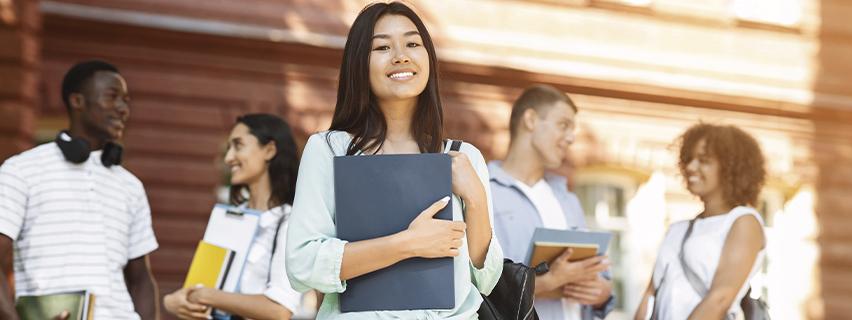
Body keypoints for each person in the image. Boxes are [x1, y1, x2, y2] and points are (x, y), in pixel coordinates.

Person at [284, 2, 503, 319]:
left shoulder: (463, 157)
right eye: (383, 47)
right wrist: (407, 244)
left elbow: (487, 279)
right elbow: (303, 265)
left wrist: (477, 199)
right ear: (360, 63)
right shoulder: (330, 150)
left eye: (413, 43)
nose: (401, 55)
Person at [0, 60, 159, 319]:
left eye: (126, 101)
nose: (123, 109)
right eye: (112, 97)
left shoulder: (131, 186)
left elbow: (141, 279)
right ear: (77, 101)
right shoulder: (21, 170)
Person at [163, 114, 318, 319]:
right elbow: (200, 285)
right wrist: (173, 302)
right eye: (229, 148)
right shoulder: (228, 218)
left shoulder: (290, 223)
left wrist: (207, 296)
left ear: (269, 150)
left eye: (238, 145)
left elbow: (279, 310)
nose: (228, 158)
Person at [489, 84, 615, 320]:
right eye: (563, 125)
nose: (571, 138)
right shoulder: (483, 191)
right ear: (531, 120)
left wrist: (601, 293)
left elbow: (602, 283)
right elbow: (477, 286)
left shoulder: (567, 199)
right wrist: (549, 282)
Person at [634, 123, 766, 320]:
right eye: (688, 159)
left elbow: (719, 299)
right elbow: (651, 293)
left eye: (703, 160)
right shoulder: (677, 229)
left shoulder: (743, 221)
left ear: (731, 168)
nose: (690, 167)